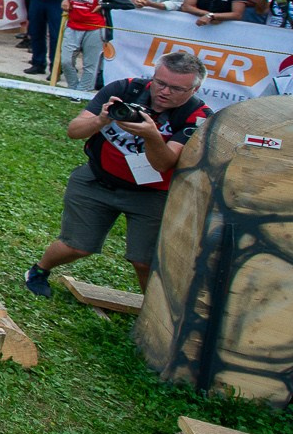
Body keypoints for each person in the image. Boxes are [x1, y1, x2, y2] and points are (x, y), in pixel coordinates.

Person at [23, 49, 211, 296]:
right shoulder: (125, 90)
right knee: (76, 246)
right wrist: (101, 120)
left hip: (152, 192)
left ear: (194, 90)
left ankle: (151, 313)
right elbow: (74, 130)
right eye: (160, 83)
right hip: (97, 179)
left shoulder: (197, 117)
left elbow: (163, 164)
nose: (164, 92)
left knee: (145, 261)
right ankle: (39, 270)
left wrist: (152, 135)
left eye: (176, 89)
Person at [59, 0, 113, 91]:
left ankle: (83, 91)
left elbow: (125, 3)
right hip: (73, 26)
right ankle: (72, 88)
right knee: (66, 61)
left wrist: (104, 5)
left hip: (94, 28)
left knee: (90, 64)